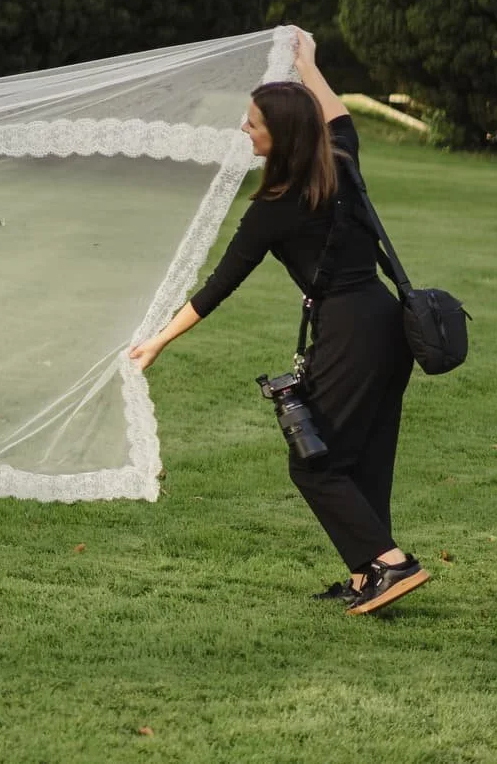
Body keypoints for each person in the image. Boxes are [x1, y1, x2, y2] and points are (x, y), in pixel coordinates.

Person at [129, 31, 430, 615]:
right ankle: (369, 574)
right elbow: (336, 111)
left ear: (281, 136)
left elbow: (219, 286)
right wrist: (308, 64)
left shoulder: (274, 209)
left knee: (312, 462)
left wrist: (158, 341)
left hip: (348, 333)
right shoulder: (340, 158)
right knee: (363, 455)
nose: (245, 130)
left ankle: (392, 564)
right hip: (386, 323)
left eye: (253, 123)